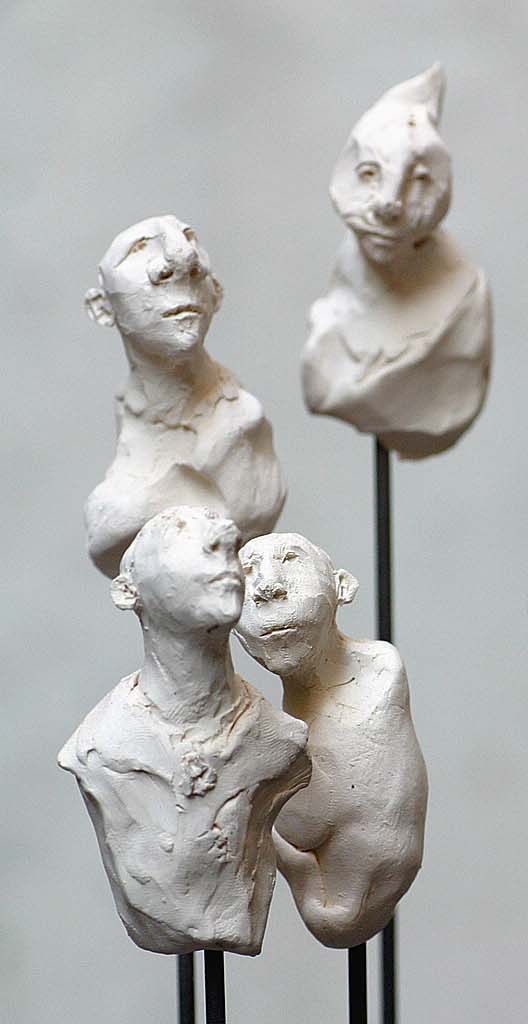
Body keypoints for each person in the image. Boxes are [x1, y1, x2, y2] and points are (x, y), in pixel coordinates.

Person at [59, 507, 309, 953]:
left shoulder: (280, 741)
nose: (222, 548)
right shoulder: (102, 749)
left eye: (228, 544)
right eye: (181, 539)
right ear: (128, 592)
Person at [235, 533, 428, 948]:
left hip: (341, 898)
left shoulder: (379, 676)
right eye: (247, 572)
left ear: (342, 586)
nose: (267, 585)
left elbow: (306, 825)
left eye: (291, 560)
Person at [302, 64, 493, 458]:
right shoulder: (341, 289)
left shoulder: (464, 298)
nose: (390, 205)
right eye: (370, 173)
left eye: (418, 181)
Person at [83, 216, 285, 577]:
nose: (179, 262)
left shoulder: (241, 424)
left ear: (215, 294)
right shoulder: (128, 407)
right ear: (102, 308)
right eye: (139, 249)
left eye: (189, 246)